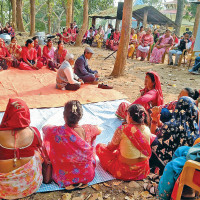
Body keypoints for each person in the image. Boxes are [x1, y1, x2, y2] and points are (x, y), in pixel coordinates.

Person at [43, 100, 101, 188]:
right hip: (86, 175)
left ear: (64, 116)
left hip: (63, 177)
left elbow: (44, 128)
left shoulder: (55, 131)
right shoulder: (87, 129)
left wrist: (53, 126)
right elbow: (99, 130)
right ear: (80, 116)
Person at [96, 104, 153, 180]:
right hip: (143, 171)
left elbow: (110, 148)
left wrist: (109, 145)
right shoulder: (147, 129)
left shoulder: (123, 129)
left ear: (129, 116)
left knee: (99, 147)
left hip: (125, 172)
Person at [0, 98, 43, 199]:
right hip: (29, 186)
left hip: (3, 190)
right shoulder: (34, 132)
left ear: (8, 114)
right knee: (37, 154)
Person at [150, 96, 199, 173]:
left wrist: (154, 120)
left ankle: (156, 168)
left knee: (152, 141)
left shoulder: (171, 125)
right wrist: (159, 122)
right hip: (183, 164)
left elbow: (154, 135)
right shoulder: (195, 128)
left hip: (168, 164)